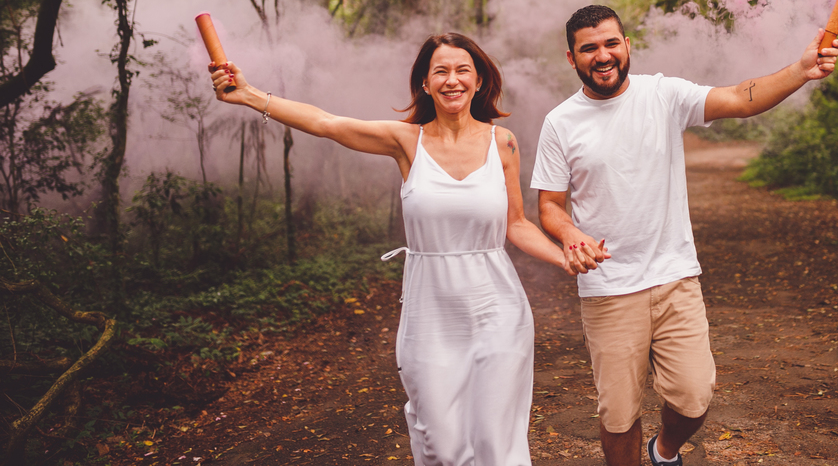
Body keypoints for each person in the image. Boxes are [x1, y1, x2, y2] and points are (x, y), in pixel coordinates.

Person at [209, 32, 595, 466]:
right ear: (425, 84)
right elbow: (326, 123)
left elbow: (516, 224)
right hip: (430, 314)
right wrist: (248, 94)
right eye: (441, 71)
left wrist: (564, 254)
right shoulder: (406, 141)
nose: (452, 79)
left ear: (479, 80)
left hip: (497, 310)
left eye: (463, 70)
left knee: (497, 440)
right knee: (441, 442)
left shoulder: (502, 142)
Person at [530, 5, 838, 466]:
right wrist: (571, 234)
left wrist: (800, 70)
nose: (603, 55)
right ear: (571, 57)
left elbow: (740, 98)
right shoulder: (561, 122)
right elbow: (550, 206)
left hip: (675, 277)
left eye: (611, 43)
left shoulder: (663, 94)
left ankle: (664, 451)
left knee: (695, 396)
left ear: (627, 45)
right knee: (618, 415)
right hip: (609, 288)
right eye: (589, 48)